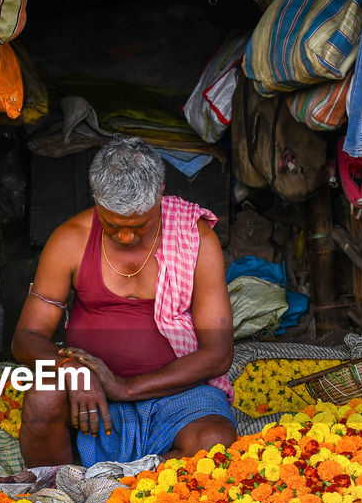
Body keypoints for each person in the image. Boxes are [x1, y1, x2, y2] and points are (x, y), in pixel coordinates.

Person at [12, 137, 238, 467]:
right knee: (43, 398)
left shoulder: (196, 238)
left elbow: (218, 355)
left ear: (160, 194)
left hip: (180, 395)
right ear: (97, 202)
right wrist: (73, 369)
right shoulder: (70, 240)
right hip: (92, 396)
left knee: (214, 443)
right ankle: (63, 493)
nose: (126, 238)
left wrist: (126, 387)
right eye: (113, 225)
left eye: (140, 226)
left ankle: (133, 487)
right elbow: (26, 339)